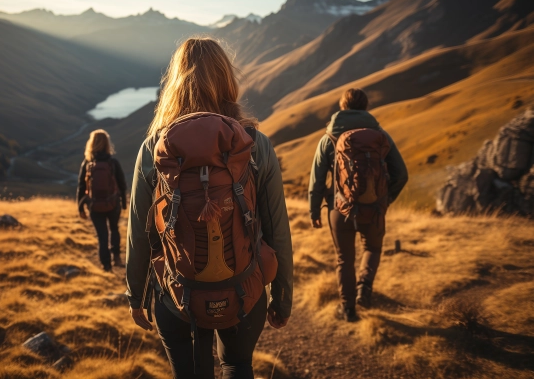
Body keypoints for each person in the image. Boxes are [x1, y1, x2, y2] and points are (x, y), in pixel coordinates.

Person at [126, 37, 293, 379]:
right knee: (236, 364)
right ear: (227, 79)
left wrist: (136, 295)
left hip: (176, 292)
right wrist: (282, 296)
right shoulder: (255, 144)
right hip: (244, 287)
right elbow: (277, 228)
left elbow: (140, 234)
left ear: (176, 82)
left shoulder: (154, 147)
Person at [309, 88, 408, 322]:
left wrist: (314, 211)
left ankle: (348, 310)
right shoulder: (380, 135)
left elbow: (316, 179)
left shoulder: (329, 137)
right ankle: (365, 287)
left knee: (345, 259)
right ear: (366, 107)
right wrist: (385, 200)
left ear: (343, 107)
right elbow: (401, 174)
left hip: (339, 209)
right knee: (372, 249)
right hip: (374, 209)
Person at [77, 129, 127, 272]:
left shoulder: (87, 163)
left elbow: (81, 186)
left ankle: (106, 266)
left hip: (94, 205)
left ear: (91, 144)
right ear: (107, 143)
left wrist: (80, 208)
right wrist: (123, 203)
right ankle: (116, 258)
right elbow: (122, 183)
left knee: (102, 235)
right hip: (113, 203)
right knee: (114, 229)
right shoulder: (113, 162)